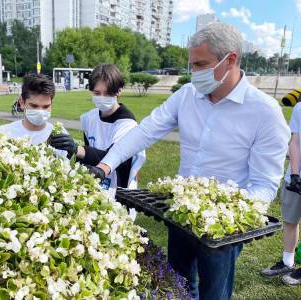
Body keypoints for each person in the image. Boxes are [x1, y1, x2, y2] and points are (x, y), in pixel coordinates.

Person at [92, 23, 290, 299]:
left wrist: (227, 217)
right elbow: (146, 131)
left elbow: (265, 183)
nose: (194, 72)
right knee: (178, 285)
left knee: (214, 294)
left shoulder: (265, 113)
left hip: (222, 232)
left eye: (201, 65)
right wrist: (105, 165)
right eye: (192, 65)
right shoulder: (187, 96)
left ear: (230, 60)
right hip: (180, 212)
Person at [49, 64, 146, 197]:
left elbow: (115, 157)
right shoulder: (89, 118)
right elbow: (88, 152)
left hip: (119, 186)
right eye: (97, 93)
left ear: (118, 91)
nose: (102, 97)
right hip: (95, 184)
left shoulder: (127, 123)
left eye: (107, 93)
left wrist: (77, 149)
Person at [261, 102, 301, 285]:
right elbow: (295, 141)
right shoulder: (300, 107)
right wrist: (294, 174)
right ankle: (287, 263)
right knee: (290, 221)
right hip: (295, 178)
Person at [0, 74, 66, 155]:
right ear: (22, 102)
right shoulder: (4, 133)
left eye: (46, 106)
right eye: (34, 106)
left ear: (51, 104)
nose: (40, 112)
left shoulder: (60, 136)